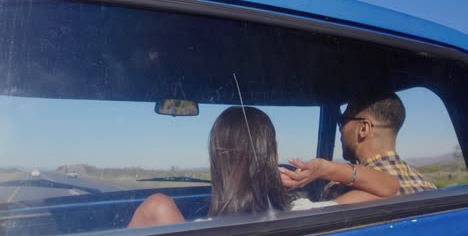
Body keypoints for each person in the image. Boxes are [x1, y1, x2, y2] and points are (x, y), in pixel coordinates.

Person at [128, 106, 399, 228]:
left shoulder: (179, 221)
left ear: (217, 160)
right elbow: (390, 188)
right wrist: (325, 169)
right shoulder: (305, 213)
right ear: (273, 154)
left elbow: (155, 209)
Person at [280, 90, 437, 202]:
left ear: (363, 128)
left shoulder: (344, 191)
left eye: (343, 121)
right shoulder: (427, 186)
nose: (340, 129)